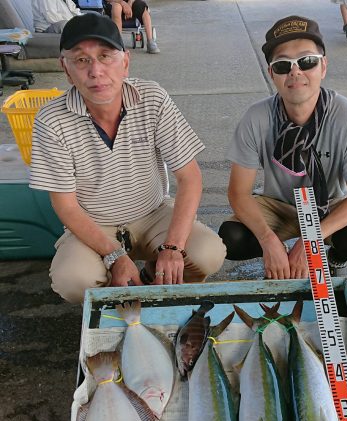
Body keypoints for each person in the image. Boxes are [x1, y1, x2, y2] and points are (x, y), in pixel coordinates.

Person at [29, 12, 226, 304]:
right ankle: (118, 303)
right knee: (73, 280)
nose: (95, 71)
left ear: (125, 62)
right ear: (65, 68)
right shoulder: (51, 120)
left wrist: (173, 247)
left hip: (153, 214)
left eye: (106, 56)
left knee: (208, 253)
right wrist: (114, 256)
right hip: (94, 224)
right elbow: (66, 206)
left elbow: (190, 177)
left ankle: (153, 276)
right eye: (81, 60)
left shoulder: (153, 98)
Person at [218, 15, 347, 297]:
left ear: (324, 66)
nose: (295, 73)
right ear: (272, 75)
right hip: (278, 204)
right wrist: (269, 241)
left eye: (307, 61)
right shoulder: (256, 117)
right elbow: (238, 193)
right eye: (283, 65)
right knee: (230, 239)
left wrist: (310, 242)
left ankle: (334, 261)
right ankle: (279, 262)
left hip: (329, 203)